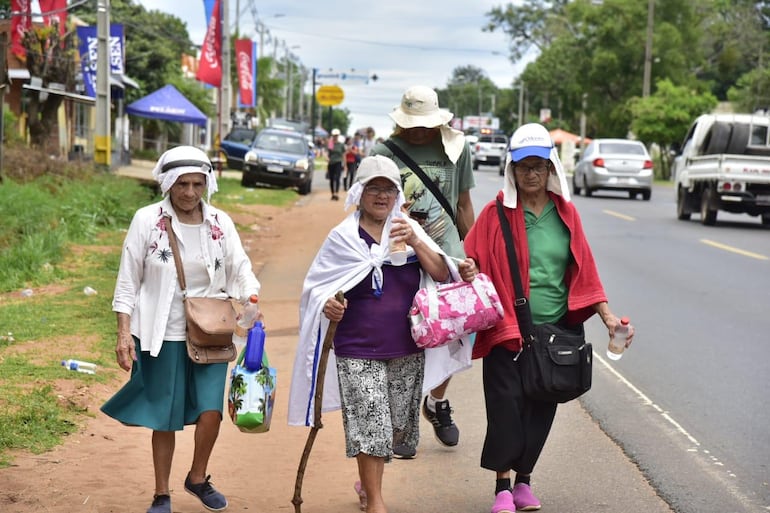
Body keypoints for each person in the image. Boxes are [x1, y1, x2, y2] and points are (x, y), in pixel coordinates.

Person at [463, 123, 635, 513]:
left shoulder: (566, 214)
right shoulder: (495, 214)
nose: (531, 174)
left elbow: (584, 269)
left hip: (557, 329)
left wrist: (608, 318)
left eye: (539, 166)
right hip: (507, 326)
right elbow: (471, 256)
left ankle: (524, 482)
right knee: (506, 405)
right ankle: (502, 487)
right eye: (523, 167)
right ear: (512, 170)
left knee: (541, 404)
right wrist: (471, 268)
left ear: (551, 168)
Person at [288, 155, 475, 513]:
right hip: (355, 347)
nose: (381, 196)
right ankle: (376, 501)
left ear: (398, 195)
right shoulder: (342, 237)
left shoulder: (409, 228)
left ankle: (367, 480)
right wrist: (329, 305)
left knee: (395, 428)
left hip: (406, 346)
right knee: (370, 421)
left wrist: (417, 243)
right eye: (373, 188)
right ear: (359, 192)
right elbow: (317, 289)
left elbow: (441, 273)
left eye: (388, 189)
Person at [101, 146, 262, 513]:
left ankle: (197, 477)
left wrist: (251, 299)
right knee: (166, 416)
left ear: (207, 182)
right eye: (182, 184)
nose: (190, 192)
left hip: (211, 333)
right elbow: (128, 281)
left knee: (211, 411)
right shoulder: (147, 220)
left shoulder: (221, 223)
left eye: (197, 183)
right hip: (161, 335)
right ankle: (161, 492)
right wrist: (123, 333)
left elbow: (240, 267)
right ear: (168, 184)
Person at [370, 84, 475, 457]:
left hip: (445, 258)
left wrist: (473, 251)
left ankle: (435, 402)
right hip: (398, 261)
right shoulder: (383, 153)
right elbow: (364, 206)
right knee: (404, 341)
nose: (418, 130)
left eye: (423, 123)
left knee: (454, 334)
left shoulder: (457, 149)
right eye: (411, 123)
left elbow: (463, 203)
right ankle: (401, 425)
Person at [328, 128, 346, 200]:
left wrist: (345, 164)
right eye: (334, 135)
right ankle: (332, 193)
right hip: (331, 162)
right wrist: (327, 158)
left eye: (336, 135)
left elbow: (343, 155)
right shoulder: (331, 144)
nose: (335, 137)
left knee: (337, 177)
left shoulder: (341, 145)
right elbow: (328, 153)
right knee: (332, 178)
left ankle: (336, 193)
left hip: (338, 162)